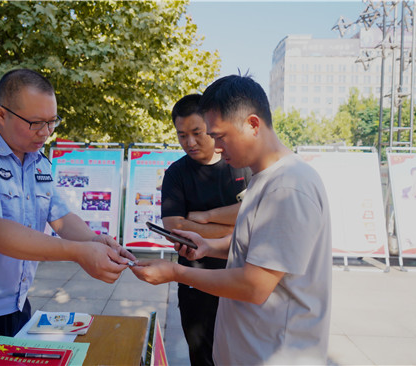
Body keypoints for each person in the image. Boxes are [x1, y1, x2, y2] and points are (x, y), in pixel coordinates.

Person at [0, 69, 136, 366]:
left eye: (52, 122)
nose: (45, 132)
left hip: (16, 308)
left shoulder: (37, 160)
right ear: (0, 114)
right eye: (35, 123)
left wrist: (98, 242)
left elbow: (60, 216)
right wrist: (79, 252)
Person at [132, 75, 332, 365]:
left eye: (219, 136)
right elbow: (256, 243)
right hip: (250, 348)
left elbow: (254, 285)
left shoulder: (288, 188)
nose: (216, 146)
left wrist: (175, 273)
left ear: (252, 124)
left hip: (274, 354)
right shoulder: (265, 179)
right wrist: (209, 247)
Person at [161, 94, 251, 366]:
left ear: (211, 127)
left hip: (238, 277)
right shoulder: (176, 173)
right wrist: (233, 224)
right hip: (195, 280)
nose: (189, 142)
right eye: (182, 135)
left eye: (197, 132)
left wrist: (205, 217)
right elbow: (173, 226)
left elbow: (253, 216)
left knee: (239, 354)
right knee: (202, 355)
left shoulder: (239, 164)